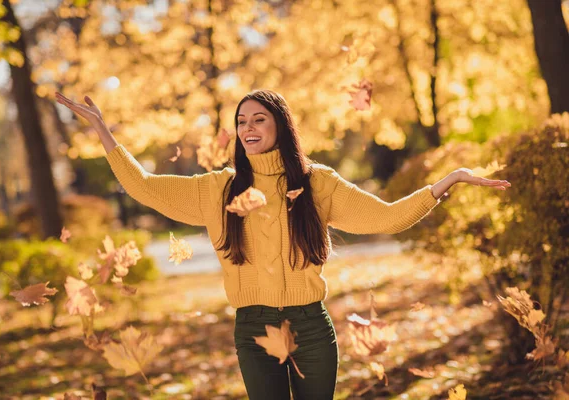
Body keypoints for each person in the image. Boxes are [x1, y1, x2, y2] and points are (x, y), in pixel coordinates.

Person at [55, 89, 511, 399]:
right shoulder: (217, 190)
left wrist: (447, 182)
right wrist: (103, 131)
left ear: (280, 125)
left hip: (310, 328)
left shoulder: (318, 184)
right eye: (241, 122)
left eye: (259, 119)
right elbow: (145, 185)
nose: (249, 128)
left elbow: (388, 218)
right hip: (252, 331)